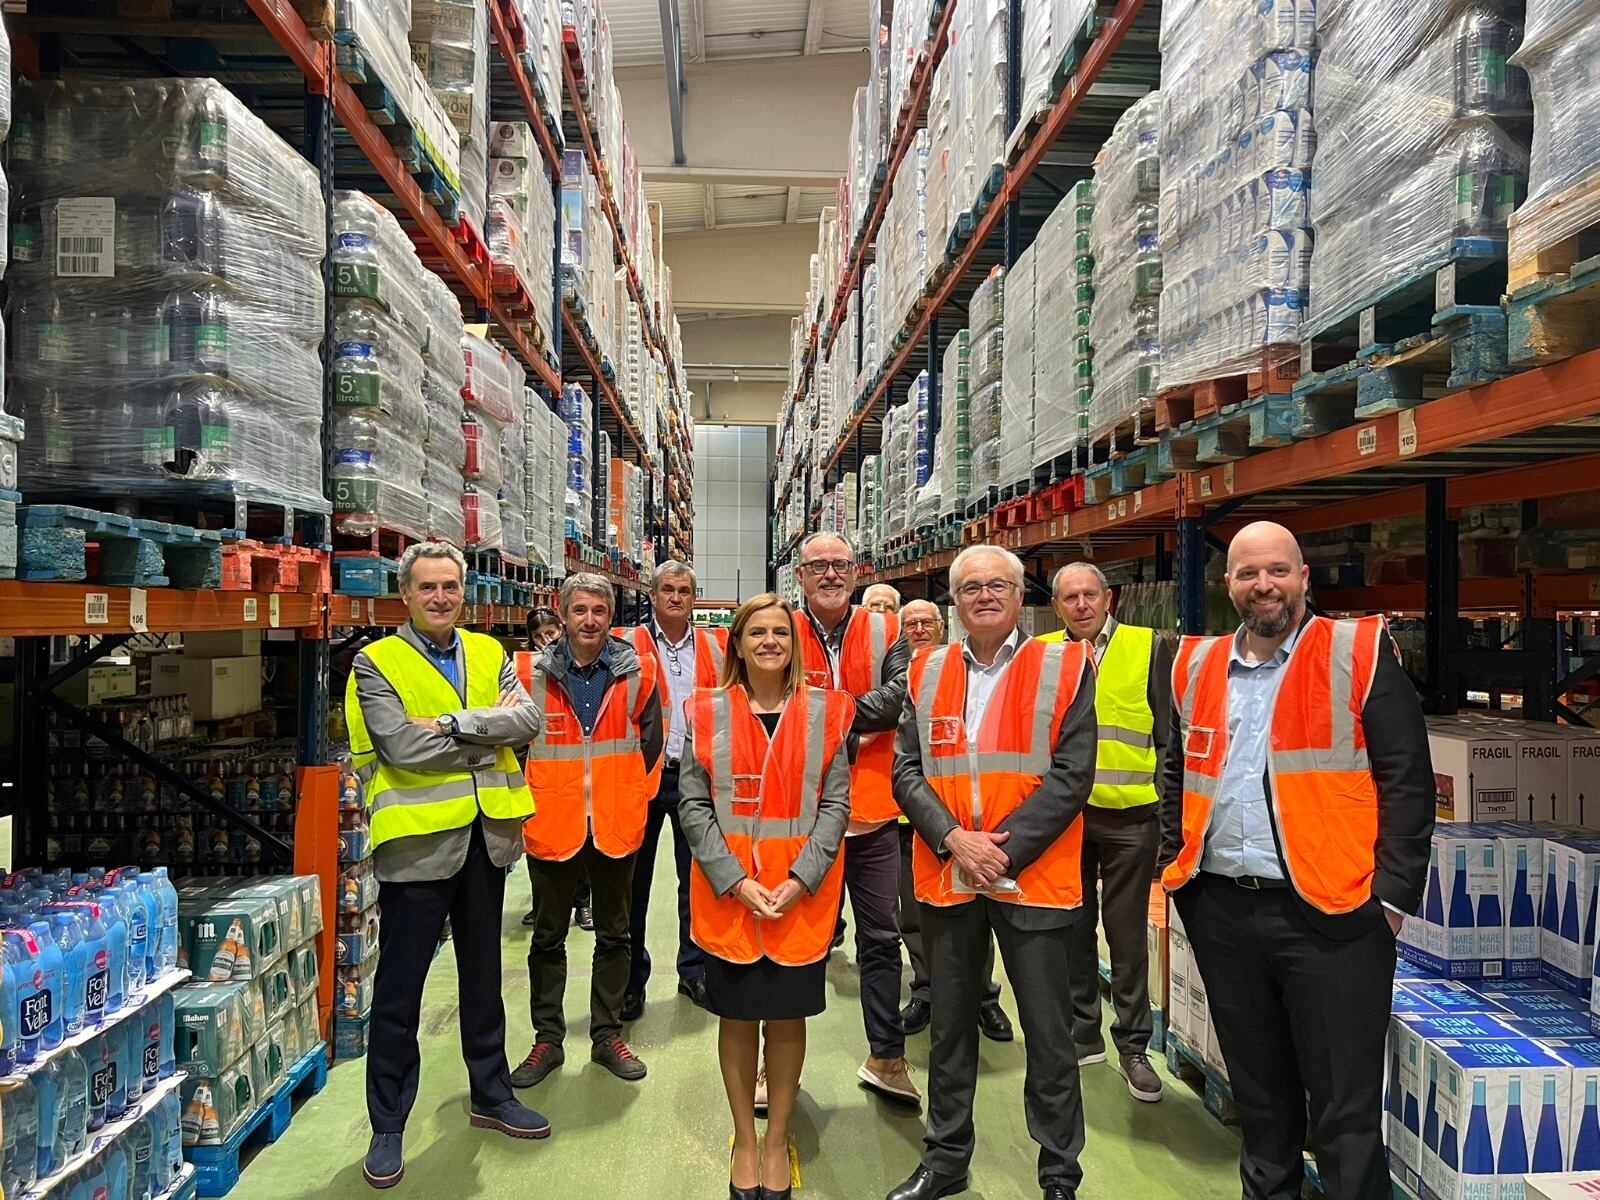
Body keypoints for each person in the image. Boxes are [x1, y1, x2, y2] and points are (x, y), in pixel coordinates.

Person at [1157, 521, 1433, 1200]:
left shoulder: (1358, 652)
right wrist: (1177, 870)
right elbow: (1173, 773)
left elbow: (1407, 780)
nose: (1265, 585)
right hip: (1222, 909)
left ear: (1304, 578)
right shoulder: (1192, 665)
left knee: (1344, 1115)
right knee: (1262, 1105)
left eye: (1279, 570)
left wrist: (1390, 904)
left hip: (1336, 917)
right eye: (1249, 573)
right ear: (1229, 586)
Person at [888, 545, 1097, 1200]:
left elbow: (1073, 773)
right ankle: (945, 1160)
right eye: (971, 586)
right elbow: (905, 770)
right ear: (955, 600)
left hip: (1031, 876)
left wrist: (1002, 851)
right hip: (951, 876)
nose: (983, 595)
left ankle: (1060, 1175)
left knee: (1049, 1033)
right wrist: (954, 839)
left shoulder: (1064, 663)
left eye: (997, 585)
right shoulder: (923, 671)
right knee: (950, 1030)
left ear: (1019, 594)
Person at [344, 543, 550, 1189]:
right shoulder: (374, 661)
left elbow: (528, 720)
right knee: (400, 993)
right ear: (404, 594)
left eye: (450, 587)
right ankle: (388, 1124)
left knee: (483, 979)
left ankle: (490, 1093)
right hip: (416, 847)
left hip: (488, 841)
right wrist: (484, 747)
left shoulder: (490, 652)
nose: (440, 597)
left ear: (464, 591)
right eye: (427, 587)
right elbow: (401, 744)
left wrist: (455, 723)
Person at [678, 593, 854, 1200]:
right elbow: (693, 804)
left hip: (797, 899)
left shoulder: (827, 713)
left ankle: (775, 1138)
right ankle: (744, 1140)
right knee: (737, 1018)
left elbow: (836, 805)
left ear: (794, 644)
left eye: (780, 631)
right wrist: (735, 880)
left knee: (785, 1020)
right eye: (757, 632)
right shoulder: (707, 711)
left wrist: (801, 878)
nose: (770, 641)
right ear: (738, 643)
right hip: (733, 899)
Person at [512, 573, 665, 1087]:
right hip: (553, 819)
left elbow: (651, 744)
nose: (590, 620)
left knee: (615, 933)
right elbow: (512, 744)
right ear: (562, 614)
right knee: (549, 937)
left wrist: (623, 794)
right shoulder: (530, 672)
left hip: (615, 822)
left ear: (610, 614)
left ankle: (606, 1034)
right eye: (580, 610)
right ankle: (547, 1040)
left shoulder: (635, 671)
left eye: (600, 610)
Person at [792, 532, 917, 1106]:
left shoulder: (886, 629)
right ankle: (777, 1069)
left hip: (873, 814)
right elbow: (770, 700)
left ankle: (886, 1057)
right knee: (793, 941)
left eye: (841, 564)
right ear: (800, 575)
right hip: (799, 815)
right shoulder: (779, 628)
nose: (831, 574)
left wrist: (826, 712)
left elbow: (901, 696)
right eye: (819, 566)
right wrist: (858, 719)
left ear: (857, 571)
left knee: (880, 941)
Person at [1039, 562, 1171, 1102]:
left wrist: (1166, 819)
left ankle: (1134, 1047)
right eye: (1069, 597)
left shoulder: (1148, 646)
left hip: (1131, 818)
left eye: (1089, 595)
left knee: (1125, 935)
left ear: (1108, 596)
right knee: (1072, 927)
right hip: (1067, 818)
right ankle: (1082, 1031)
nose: (1081, 605)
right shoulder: (1044, 652)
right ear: (1057, 606)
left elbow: (1168, 736)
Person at [615, 562, 730, 1018]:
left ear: (694, 597)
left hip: (696, 776)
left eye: (685, 590)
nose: (676, 597)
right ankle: (630, 980)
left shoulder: (715, 645)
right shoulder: (628, 643)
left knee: (697, 879)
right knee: (634, 882)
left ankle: (694, 970)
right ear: (653, 593)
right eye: (668, 589)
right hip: (643, 774)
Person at [895, 600, 1012, 1044]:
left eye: (927, 622)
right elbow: (904, 755)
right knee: (919, 914)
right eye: (910, 623)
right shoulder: (909, 671)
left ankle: (984, 997)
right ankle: (927, 990)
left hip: (979, 823)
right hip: (916, 818)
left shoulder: (959, 669)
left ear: (944, 625)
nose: (919, 629)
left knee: (981, 912)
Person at [522, 606, 584, 929]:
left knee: (583, 840)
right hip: (543, 774)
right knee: (540, 844)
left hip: (577, 770)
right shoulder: (525, 670)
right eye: (538, 636)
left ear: (561, 630)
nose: (545, 641)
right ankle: (541, 905)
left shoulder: (579, 665)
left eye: (551, 633)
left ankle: (583, 903)